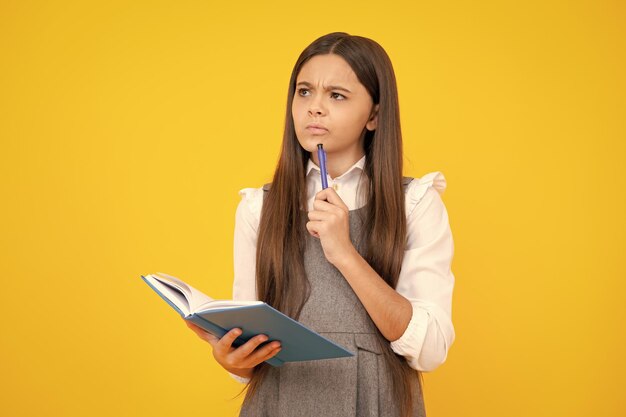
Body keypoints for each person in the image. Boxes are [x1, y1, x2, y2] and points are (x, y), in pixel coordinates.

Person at [184, 32, 456, 417]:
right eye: (304, 92)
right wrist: (231, 357)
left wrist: (344, 252)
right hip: (280, 401)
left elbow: (429, 349)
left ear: (375, 115)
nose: (314, 108)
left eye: (337, 95)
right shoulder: (259, 207)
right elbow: (247, 364)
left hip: (377, 402)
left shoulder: (416, 203)